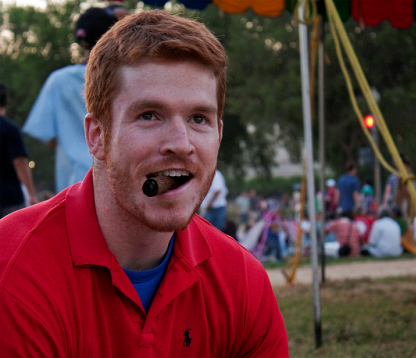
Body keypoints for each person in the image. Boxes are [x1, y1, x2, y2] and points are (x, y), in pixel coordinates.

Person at [0, 10, 289, 357]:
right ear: (97, 136)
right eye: (149, 115)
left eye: (199, 118)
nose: (181, 144)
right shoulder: (14, 271)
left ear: (219, 135)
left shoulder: (242, 282)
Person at [22, 7, 125, 193]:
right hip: (118, 174)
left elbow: (49, 138)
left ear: (81, 40)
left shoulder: (59, 80)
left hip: (73, 179)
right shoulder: (124, 77)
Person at [0, 81, 38, 217]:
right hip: (9, 200)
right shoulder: (9, 129)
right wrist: (32, 195)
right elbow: (20, 162)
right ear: (7, 100)